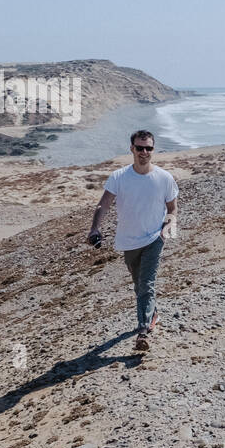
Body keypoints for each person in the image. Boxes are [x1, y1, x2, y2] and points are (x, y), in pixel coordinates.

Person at [87, 130, 178, 350]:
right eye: (140, 148)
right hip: (128, 241)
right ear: (132, 149)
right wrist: (94, 229)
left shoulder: (164, 178)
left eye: (148, 148)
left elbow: (172, 209)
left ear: (153, 150)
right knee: (139, 286)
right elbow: (104, 204)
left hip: (154, 238)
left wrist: (167, 229)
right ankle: (152, 312)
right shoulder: (119, 177)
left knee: (146, 284)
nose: (144, 152)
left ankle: (143, 332)